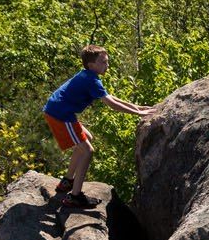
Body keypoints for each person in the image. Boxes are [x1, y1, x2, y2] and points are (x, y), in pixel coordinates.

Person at [43, 45, 154, 208]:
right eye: (103, 62)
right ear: (91, 64)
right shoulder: (91, 79)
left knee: (86, 139)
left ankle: (67, 181)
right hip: (60, 114)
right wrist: (138, 114)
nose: (107, 65)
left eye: (107, 61)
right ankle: (74, 196)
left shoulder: (90, 76)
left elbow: (111, 97)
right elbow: (111, 104)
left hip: (59, 111)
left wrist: (139, 108)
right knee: (88, 151)